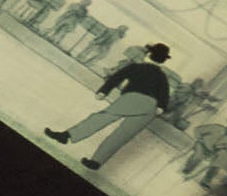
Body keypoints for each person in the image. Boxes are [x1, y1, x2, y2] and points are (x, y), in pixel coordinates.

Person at [45, 42, 176, 170]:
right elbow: (164, 94)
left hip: (132, 98)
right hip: (150, 107)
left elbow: (116, 78)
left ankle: (67, 136)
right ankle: (96, 162)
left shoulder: (136, 67)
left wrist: (103, 91)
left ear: (148, 54)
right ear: (163, 61)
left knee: (101, 118)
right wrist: (161, 107)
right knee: (122, 135)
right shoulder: (162, 76)